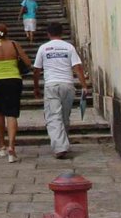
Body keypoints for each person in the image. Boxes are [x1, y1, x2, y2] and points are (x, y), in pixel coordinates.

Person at [32, 23, 89, 159]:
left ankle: (60, 147)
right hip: (68, 85)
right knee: (64, 116)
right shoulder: (68, 47)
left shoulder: (43, 48)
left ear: (48, 34)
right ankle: (64, 143)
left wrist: (36, 87)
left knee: (53, 117)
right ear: (62, 33)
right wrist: (84, 85)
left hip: (51, 85)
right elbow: (78, 67)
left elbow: (36, 70)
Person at [0, 23, 33, 163]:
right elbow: (28, 62)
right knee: (12, 113)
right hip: (14, 81)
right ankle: (12, 146)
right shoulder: (14, 45)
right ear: (7, 33)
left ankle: (2, 145)